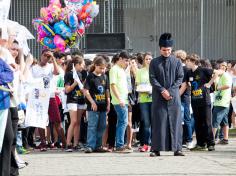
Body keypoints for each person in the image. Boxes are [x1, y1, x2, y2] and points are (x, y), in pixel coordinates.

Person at [149, 33, 184, 157]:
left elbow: (180, 78)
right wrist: (162, 90)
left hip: (174, 97)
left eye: (169, 50)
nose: (166, 52)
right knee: (159, 122)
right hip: (159, 96)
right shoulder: (154, 62)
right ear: (160, 49)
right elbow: (152, 78)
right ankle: (155, 149)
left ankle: (177, 148)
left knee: (175, 122)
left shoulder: (177, 62)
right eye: (164, 50)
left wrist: (171, 90)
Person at [185, 54, 221, 151]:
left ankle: (211, 143)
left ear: (193, 61)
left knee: (207, 122)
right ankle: (201, 144)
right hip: (194, 101)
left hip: (205, 101)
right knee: (198, 123)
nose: (186, 63)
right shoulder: (188, 73)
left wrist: (209, 83)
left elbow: (218, 72)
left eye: (187, 61)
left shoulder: (203, 70)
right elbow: (187, 83)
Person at [84, 56, 110, 153]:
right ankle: (90, 145)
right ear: (95, 66)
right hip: (93, 107)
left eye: (104, 68)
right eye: (101, 68)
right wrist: (92, 102)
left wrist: (108, 102)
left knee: (102, 126)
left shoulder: (105, 76)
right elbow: (86, 91)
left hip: (103, 106)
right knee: (92, 126)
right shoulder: (90, 76)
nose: (103, 70)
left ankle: (98, 145)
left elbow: (107, 90)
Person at [109, 51, 132, 153]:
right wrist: (120, 99)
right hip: (119, 101)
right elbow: (113, 85)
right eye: (126, 60)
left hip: (124, 100)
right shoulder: (114, 69)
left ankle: (120, 144)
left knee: (123, 122)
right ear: (120, 59)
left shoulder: (121, 70)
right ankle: (119, 145)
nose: (127, 63)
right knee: (123, 122)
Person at [64, 56, 86, 152]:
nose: (83, 66)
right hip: (72, 99)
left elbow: (82, 87)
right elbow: (67, 90)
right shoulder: (69, 74)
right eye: (82, 64)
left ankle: (76, 144)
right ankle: (68, 144)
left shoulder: (80, 74)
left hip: (80, 99)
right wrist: (75, 83)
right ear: (76, 64)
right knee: (73, 121)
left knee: (78, 122)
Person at [174, 50, 193, 149]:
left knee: (186, 118)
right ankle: (182, 140)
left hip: (184, 97)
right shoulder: (177, 68)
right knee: (179, 119)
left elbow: (185, 85)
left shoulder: (185, 69)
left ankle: (189, 140)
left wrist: (176, 96)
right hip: (179, 96)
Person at [212, 60, 232, 144]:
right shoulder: (220, 76)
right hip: (222, 101)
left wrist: (218, 88)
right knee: (224, 122)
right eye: (221, 65)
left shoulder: (226, 75)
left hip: (222, 102)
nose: (222, 67)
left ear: (227, 67)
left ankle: (211, 140)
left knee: (215, 121)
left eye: (224, 65)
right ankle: (225, 139)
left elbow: (228, 85)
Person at [136, 53, 152, 152]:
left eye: (150, 59)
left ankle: (155, 144)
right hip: (144, 100)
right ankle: (146, 144)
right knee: (146, 123)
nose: (148, 61)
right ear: (144, 60)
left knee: (155, 123)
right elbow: (137, 85)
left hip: (155, 100)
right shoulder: (140, 72)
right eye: (146, 59)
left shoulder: (156, 71)